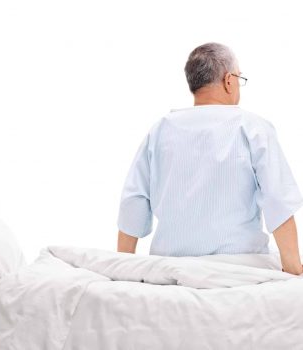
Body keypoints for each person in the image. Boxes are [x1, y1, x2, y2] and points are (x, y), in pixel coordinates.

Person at [116, 42, 303, 275]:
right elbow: (278, 200)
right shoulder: (253, 128)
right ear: (228, 80)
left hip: (170, 268)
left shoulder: (160, 130)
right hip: (240, 268)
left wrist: (121, 270)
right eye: (239, 78)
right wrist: (295, 270)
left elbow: (134, 200)